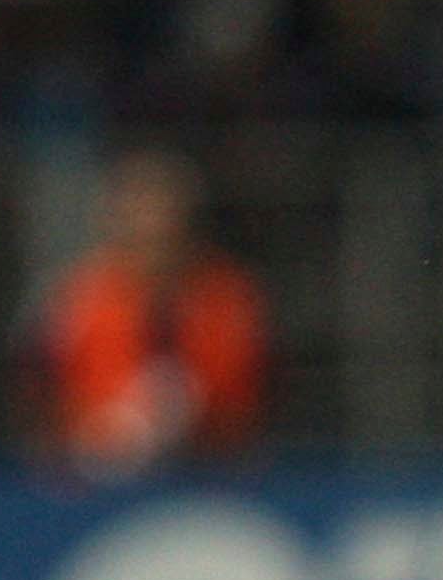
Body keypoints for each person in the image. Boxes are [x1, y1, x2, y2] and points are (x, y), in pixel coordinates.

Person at [21, 149, 268, 476]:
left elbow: (256, 403)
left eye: (161, 208)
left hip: (209, 480)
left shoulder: (227, 300)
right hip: (96, 479)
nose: (151, 224)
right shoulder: (75, 301)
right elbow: (39, 403)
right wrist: (102, 434)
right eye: (137, 209)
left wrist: (196, 418)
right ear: (112, 216)